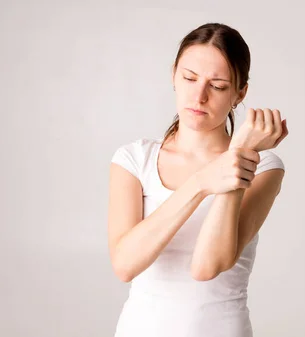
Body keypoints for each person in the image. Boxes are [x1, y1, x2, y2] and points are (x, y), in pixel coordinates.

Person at [107, 23, 289, 337]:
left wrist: (239, 156)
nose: (199, 96)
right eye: (189, 78)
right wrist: (202, 182)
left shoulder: (264, 166)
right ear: (173, 76)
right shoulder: (134, 160)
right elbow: (125, 265)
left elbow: (206, 267)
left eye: (217, 85)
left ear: (239, 92)